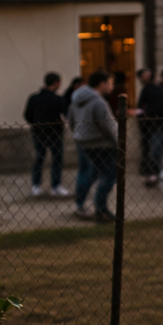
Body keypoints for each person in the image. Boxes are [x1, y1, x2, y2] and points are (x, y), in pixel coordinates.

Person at [69, 70, 120, 222]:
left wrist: (79, 134)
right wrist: (120, 143)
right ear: (102, 84)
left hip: (83, 143)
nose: (112, 86)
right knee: (109, 176)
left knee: (87, 174)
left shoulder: (76, 99)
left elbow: (71, 120)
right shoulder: (98, 102)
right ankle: (101, 208)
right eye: (110, 83)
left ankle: (80, 204)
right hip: (102, 145)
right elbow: (109, 126)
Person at [24, 72, 70, 197]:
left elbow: (27, 115)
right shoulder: (58, 99)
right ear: (56, 83)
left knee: (39, 158)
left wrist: (36, 124)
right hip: (55, 133)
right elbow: (66, 114)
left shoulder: (34, 98)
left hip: (38, 132)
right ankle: (56, 186)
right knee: (57, 159)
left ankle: (36, 186)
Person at [137, 67, 163, 187]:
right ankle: (153, 172)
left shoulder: (160, 89)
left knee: (162, 148)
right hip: (154, 124)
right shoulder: (149, 89)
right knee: (155, 149)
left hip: (161, 123)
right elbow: (142, 106)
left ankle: (156, 171)